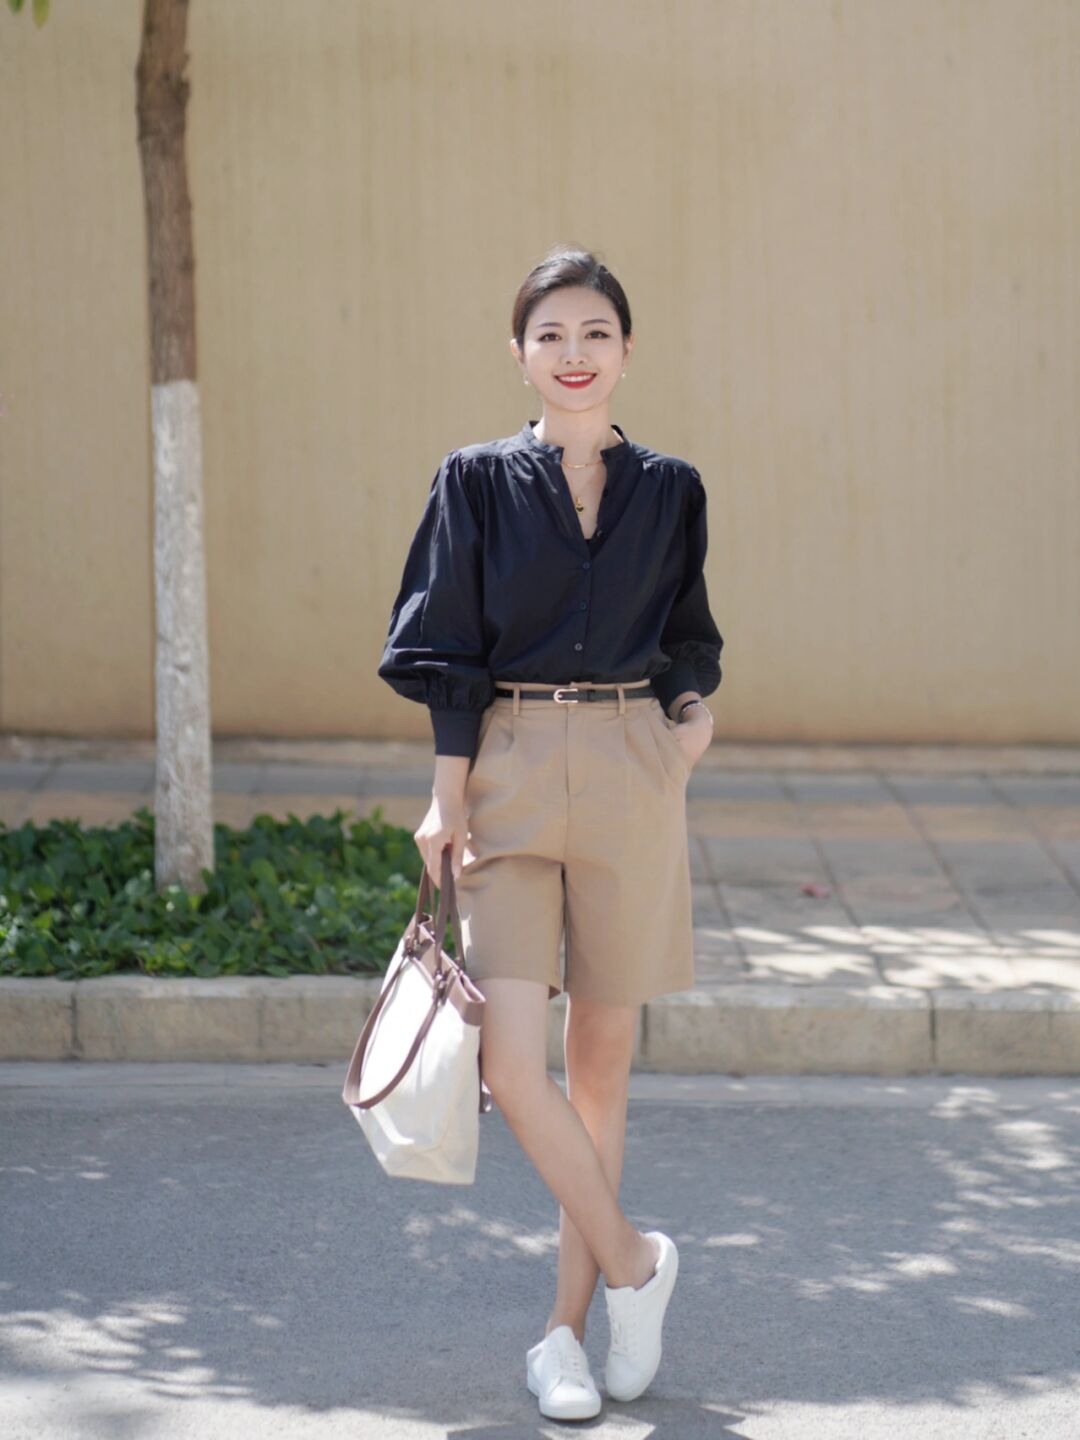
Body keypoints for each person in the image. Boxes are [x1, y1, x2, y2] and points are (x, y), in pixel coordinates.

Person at [377, 246, 723, 1420]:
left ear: (626, 350)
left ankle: (565, 1338)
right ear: (519, 352)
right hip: (511, 766)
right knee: (513, 1065)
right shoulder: (474, 481)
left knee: (601, 1071)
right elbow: (447, 647)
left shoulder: (671, 489)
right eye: (551, 335)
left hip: (632, 764)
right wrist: (447, 793)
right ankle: (638, 1263)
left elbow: (687, 630)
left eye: (595, 334)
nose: (574, 355)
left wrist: (687, 718)